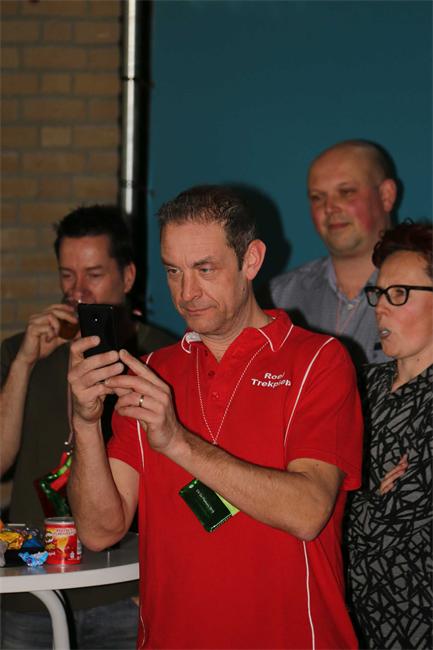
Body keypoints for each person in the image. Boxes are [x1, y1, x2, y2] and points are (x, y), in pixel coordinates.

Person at [67, 185, 363, 649]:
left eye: (205, 269)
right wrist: (85, 422)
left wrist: (177, 442)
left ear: (251, 260)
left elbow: (308, 512)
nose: (187, 293)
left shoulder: (318, 360)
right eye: (173, 271)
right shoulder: (152, 372)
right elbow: (100, 531)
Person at [0, 205, 176, 650]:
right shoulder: (23, 351)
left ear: (128, 276)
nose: (77, 290)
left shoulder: (161, 356)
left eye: (94, 274)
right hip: (30, 591)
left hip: (124, 588)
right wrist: (23, 364)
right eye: (67, 275)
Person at [346, 222, 432, 649]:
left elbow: (390, 523)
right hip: (347, 623)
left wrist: (344, 499)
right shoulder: (358, 384)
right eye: (379, 293)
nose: (380, 307)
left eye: (399, 293)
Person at [267, 139, 399, 367]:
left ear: (386, 195)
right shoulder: (278, 298)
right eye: (317, 197)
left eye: (346, 192)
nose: (329, 208)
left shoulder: (424, 290)